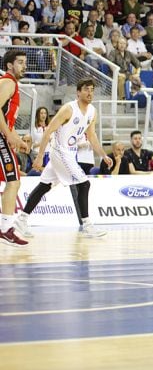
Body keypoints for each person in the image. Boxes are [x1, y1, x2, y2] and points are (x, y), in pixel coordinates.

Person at [19, 79, 113, 238]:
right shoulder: (68, 109)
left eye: (92, 89)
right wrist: (40, 156)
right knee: (84, 184)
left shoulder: (92, 111)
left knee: (44, 186)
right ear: (78, 92)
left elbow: (91, 135)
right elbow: (48, 131)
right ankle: (87, 225)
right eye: (86, 89)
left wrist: (103, 155)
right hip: (59, 151)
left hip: (70, 152)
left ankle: (20, 220)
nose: (90, 93)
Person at [0, 50, 30, 245]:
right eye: (20, 62)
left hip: (4, 135)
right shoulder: (8, 82)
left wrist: (16, 138)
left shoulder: (12, 84)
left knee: (13, 181)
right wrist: (9, 135)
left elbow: (6, 116)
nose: (24, 66)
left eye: (25, 63)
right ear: (10, 65)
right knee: (14, 180)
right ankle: (5, 228)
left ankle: (5, 228)